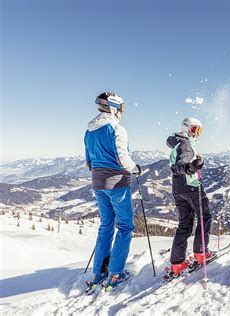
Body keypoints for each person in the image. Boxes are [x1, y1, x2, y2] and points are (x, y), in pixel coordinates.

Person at [84, 92, 141, 291]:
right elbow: (122, 158)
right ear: (114, 108)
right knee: (125, 226)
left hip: (97, 183)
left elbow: (89, 162)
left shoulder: (89, 130)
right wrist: (135, 168)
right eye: (122, 109)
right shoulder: (117, 129)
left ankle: (99, 272)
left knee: (106, 225)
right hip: (117, 184)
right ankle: (115, 273)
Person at [165, 117, 212, 279]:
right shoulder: (186, 145)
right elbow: (178, 166)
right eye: (194, 130)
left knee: (184, 224)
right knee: (205, 217)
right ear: (186, 128)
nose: (196, 134)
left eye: (199, 131)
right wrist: (191, 167)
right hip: (191, 186)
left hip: (178, 188)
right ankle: (201, 253)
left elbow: (175, 166)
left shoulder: (177, 143)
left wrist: (190, 166)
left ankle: (177, 263)